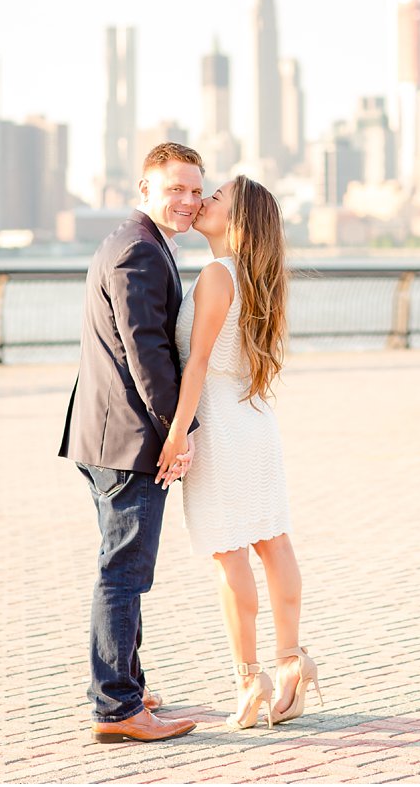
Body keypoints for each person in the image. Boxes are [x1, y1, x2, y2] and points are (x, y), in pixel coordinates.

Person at [155, 175, 321, 730]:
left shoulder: (216, 275)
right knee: (272, 541)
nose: (202, 202)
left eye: (216, 197)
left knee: (229, 551)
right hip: (254, 418)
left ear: (237, 219)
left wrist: (178, 433)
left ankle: (251, 678)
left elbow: (196, 364)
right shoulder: (260, 279)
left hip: (222, 423)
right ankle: (292, 663)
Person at [58, 141, 205, 743]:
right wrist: (180, 433)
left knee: (123, 567)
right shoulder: (140, 252)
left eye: (197, 190)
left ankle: (126, 686)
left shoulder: (137, 242)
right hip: (127, 441)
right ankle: (117, 709)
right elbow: (146, 356)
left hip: (109, 435)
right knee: (123, 572)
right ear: (144, 189)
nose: (189, 201)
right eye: (176, 188)